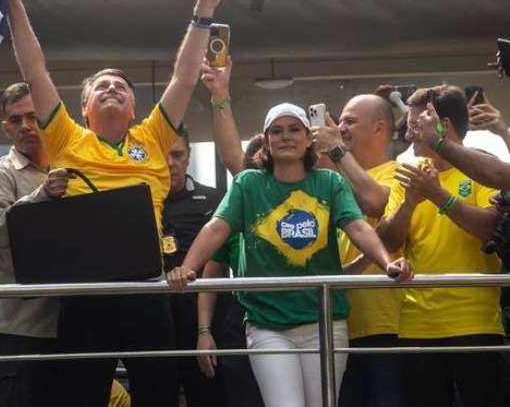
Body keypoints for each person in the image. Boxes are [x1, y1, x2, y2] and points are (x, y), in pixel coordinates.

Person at [0, 0, 225, 406]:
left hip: (146, 289)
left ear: (135, 108)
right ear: (83, 107)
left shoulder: (155, 135)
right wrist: (15, 2)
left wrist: (202, 15)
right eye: (102, 85)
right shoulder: (65, 137)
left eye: (122, 86)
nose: (114, 88)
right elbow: (33, 69)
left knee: (158, 394)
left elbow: (182, 79)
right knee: (80, 397)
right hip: (86, 293)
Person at [167, 98, 412, 407]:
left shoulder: (330, 182)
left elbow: (359, 228)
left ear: (309, 138)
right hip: (267, 322)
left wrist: (388, 264)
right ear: (266, 141)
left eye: (295, 129)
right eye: (277, 131)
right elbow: (217, 228)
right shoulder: (248, 184)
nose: (286, 136)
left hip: (324, 321)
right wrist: (187, 269)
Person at [377, 85, 505, 406]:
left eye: (414, 125)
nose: (408, 135)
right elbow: (388, 239)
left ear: (442, 125)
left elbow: (492, 230)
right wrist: (409, 204)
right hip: (416, 328)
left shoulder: (484, 169)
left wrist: (440, 197)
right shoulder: (407, 175)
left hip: (475, 323)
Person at [0, 82, 70, 407]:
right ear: (5, 127)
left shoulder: (72, 165)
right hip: (19, 333)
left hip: (74, 325)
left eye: (33, 116)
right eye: (16, 120)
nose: (26, 125)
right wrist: (42, 196)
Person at [311, 95, 407, 407]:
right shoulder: (336, 180)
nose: (341, 127)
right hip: (337, 324)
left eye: (350, 121)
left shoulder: (401, 172)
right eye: (340, 122)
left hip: (386, 326)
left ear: (380, 128)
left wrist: (337, 150)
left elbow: (375, 202)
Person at [197, 133, 265, 407]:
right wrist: (204, 331)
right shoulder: (236, 213)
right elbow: (210, 275)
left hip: (295, 310)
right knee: (244, 395)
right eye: (256, 165)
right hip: (241, 314)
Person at [162, 132, 226, 406]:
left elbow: (219, 259)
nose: (169, 163)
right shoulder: (136, 200)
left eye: (177, 155)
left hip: (206, 316)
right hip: (156, 320)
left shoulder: (214, 199)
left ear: (188, 156)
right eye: (162, 155)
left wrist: (204, 329)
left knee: (208, 396)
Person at [412, 93, 510, 190]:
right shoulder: (412, 174)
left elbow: (499, 176)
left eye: (419, 126)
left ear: (443, 126)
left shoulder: (481, 170)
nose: (408, 135)